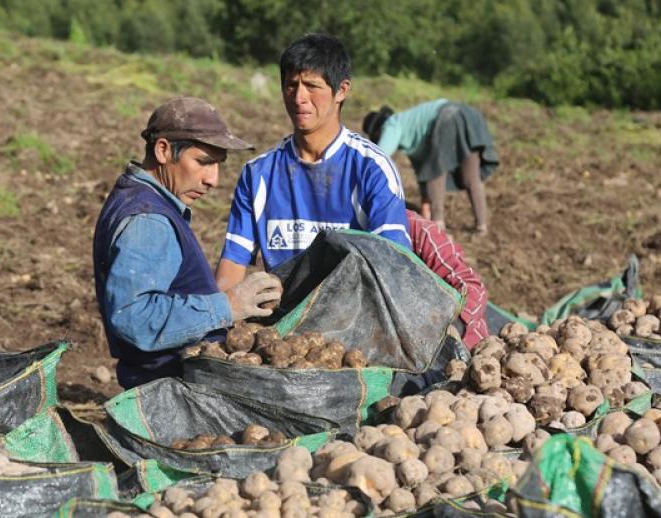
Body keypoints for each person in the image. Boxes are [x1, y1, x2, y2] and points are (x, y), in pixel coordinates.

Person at [93, 97, 282, 389]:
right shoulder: (148, 220)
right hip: (168, 389)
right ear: (163, 150)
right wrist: (228, 305)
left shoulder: (140, 200)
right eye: (203, 163)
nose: (213, 180)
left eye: (218, 165)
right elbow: (133, 317)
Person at [215, 33, 411, 287]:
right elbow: (233, 262)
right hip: (282, 318)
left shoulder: (371, 168)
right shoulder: (258, 173)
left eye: (312, 86)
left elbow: (394, 267)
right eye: (291, 85)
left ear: (341, 90)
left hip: (353, 317)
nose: (299, 98)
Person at [363, 100, 499, 235]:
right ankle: (481, 226)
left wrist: (360, 181)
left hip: (448, 117)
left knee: (436, 171)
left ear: (377, 132)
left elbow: (379, 159)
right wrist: (425, 203)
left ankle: (437, 225)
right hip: (467, 114)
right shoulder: (411, 131)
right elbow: (422, 170)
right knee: (471, 178)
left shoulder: (391, 125)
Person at [406, 209, 488, 348]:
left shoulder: (420, 231)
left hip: (464, 345)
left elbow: (470, 284)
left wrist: (456, 322)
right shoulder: (358, 235)